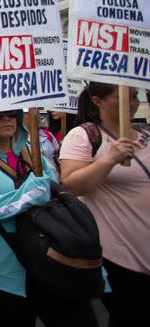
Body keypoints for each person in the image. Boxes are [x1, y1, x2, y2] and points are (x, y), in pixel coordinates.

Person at [0, 89, 97, 327]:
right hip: (4, 273)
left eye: (11, 113)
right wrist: (27, 195)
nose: (7, 119)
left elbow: (52, 192)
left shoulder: (32, 150)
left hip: (51, 260)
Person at [59, 83, 148, 327]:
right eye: (125, 97)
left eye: (135, 96)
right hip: (117, 255)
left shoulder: (144, 135)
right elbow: (72, 185)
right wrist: (110, 158)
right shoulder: (84, 136)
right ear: (97, 101)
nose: (133, 102)